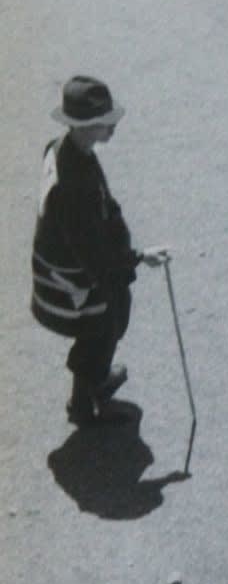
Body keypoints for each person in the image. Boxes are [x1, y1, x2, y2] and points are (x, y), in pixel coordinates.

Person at [31, 76, 169, 425]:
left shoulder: (65, 149)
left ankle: (92, 382)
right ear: (83, 126)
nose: (112, 127)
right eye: (104, 122)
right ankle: (87, 401)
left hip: (64, 268)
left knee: (99, 327)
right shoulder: (75, 186)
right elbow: (91, 251)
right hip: (75, 277)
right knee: (104, 324)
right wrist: (132, 261)